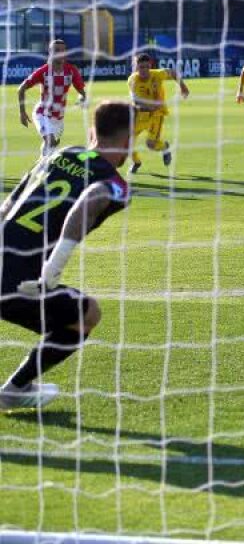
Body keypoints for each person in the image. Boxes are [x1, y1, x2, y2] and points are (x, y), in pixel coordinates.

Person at [0, 101, 135, 411]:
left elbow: (8, 204)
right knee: (87, 314)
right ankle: (15, 388)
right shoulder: (117, 185)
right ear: (128, 141)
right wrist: (53, 269)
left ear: (92, 132)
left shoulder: (59, 154)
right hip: (16, 283)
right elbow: (88, 202)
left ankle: (18, 389)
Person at [18, 40, 87, 158]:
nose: (60, 53)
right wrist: (22, 112)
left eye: (62, 50)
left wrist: (82, 98)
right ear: (50, 53)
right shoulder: (43, 71)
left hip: (59, 118)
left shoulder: (71, 71)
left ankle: (41, 166)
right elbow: (21, 89)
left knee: (50, 148)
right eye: (56, 50)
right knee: (50, 141)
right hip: (42, 113)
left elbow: (82, 92)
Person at [127, 52, 190, 174]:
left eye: (146, 67)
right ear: (136, 67)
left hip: (156, 115)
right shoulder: (132, 80)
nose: (144, 70)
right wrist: (149, 106)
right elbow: (136, 101)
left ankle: (165, 148)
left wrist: (183, 86)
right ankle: (136, 162)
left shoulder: (157, 75)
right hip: (140, 115)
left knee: (150, 145)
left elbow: (172, 72)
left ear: (150, 65)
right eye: (141, 67)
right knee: (128, 142)